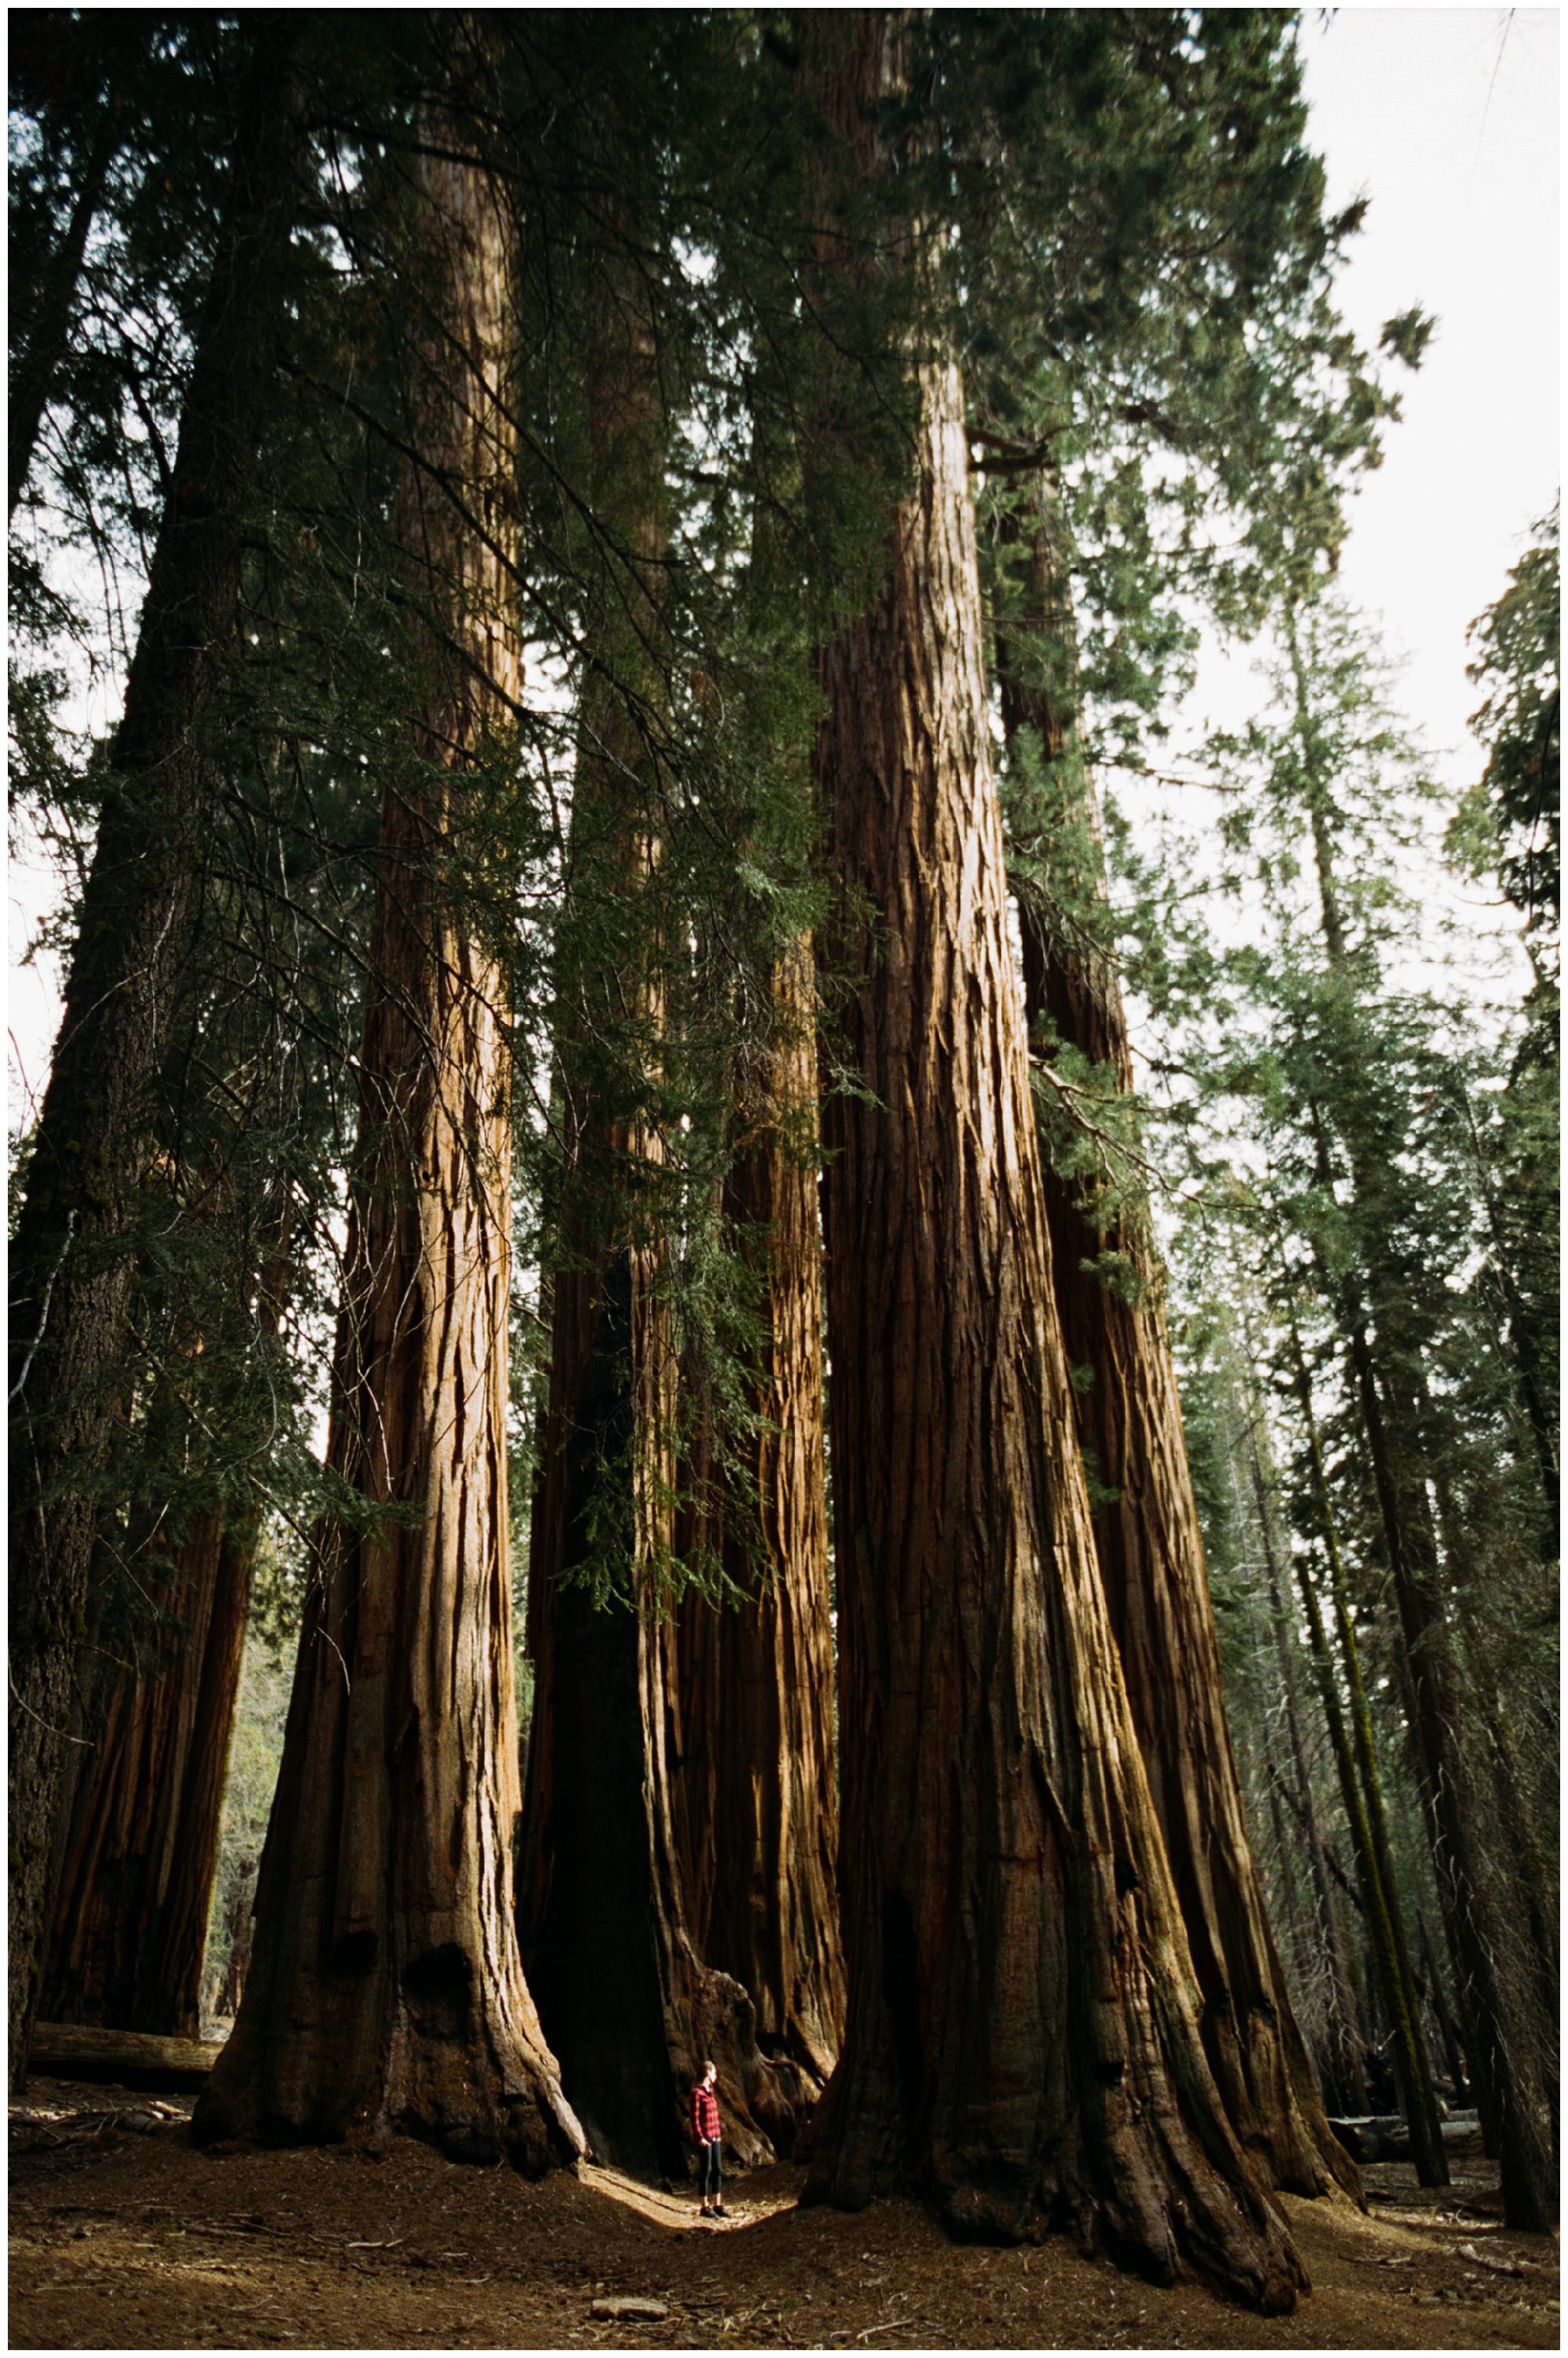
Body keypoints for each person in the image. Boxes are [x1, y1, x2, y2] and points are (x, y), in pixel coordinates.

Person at [691, 2059, 725, 2219]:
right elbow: (695, 2118)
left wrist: (718, 2134)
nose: (716, 2075)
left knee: (717, 2169)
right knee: (706, 2171)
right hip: (705, 2138)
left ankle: (717, 2204)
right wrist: (700, 2137)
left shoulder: (710, 2092)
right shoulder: (696, 2094)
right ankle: (704, 2207)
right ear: (708, 2073)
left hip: (715, 2135)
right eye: (714, 2072)